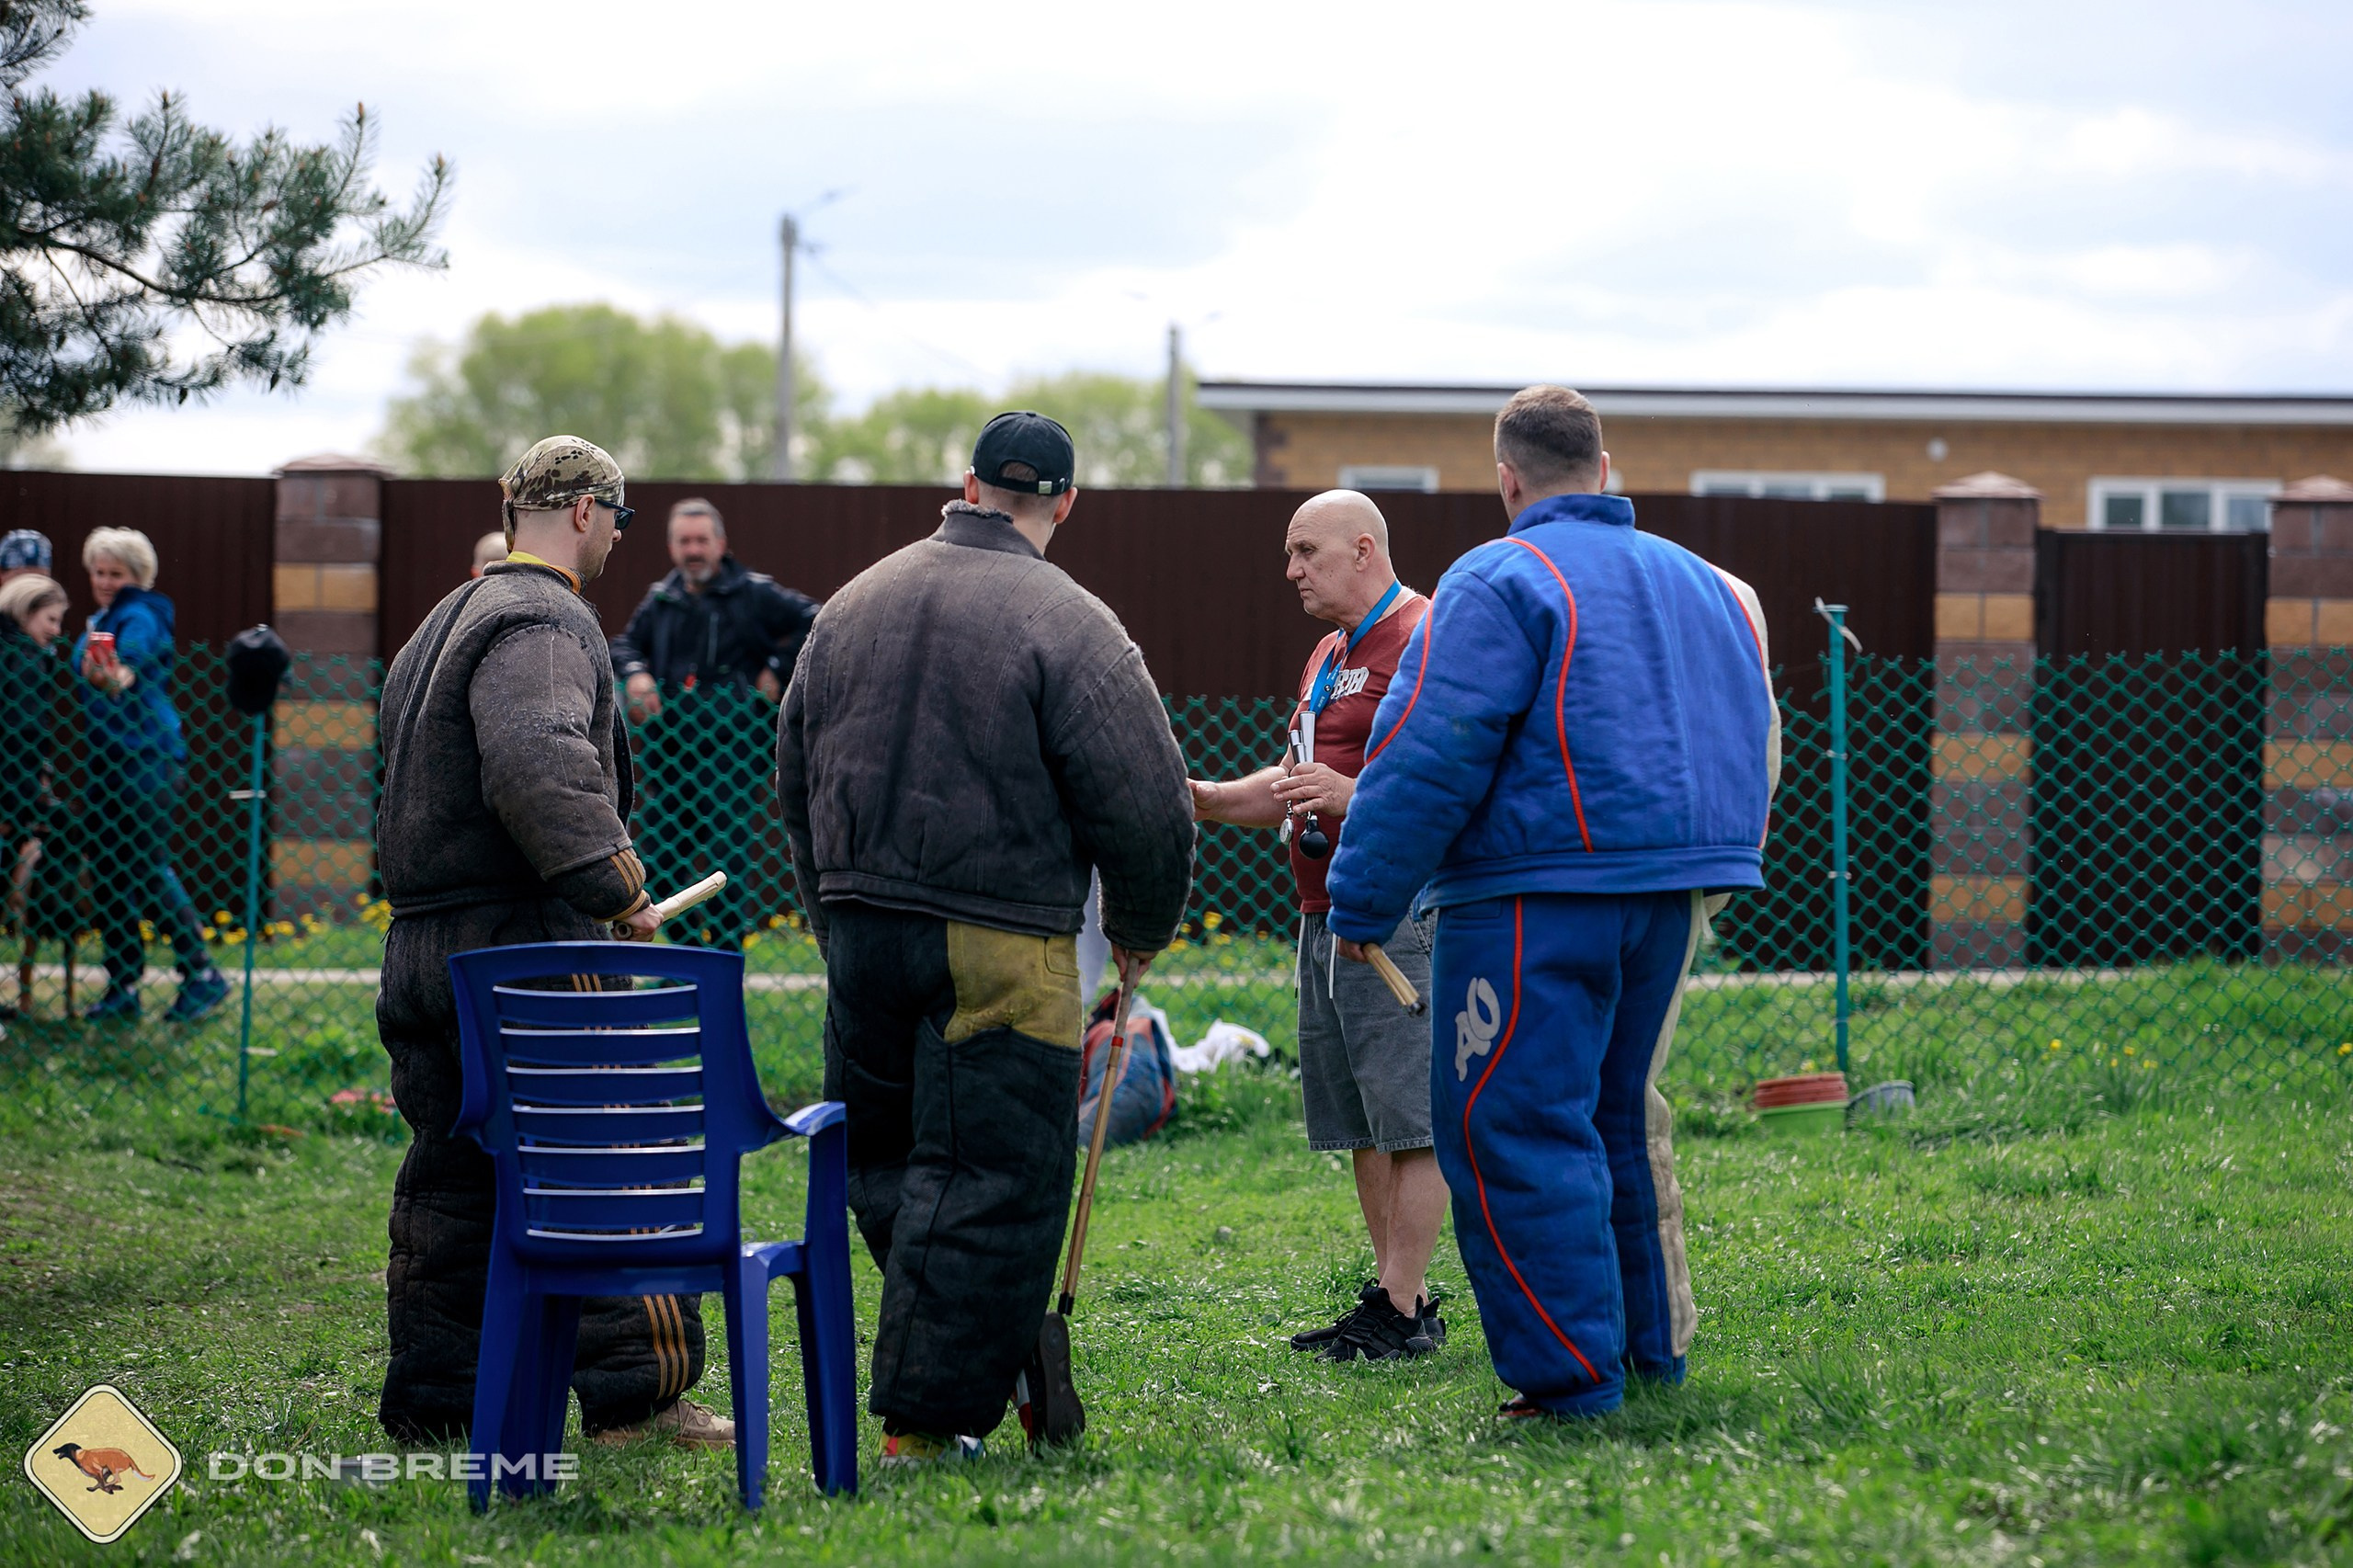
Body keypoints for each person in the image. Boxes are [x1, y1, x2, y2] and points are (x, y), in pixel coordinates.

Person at [1324, 385, 1779, 1420]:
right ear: (1605, 469)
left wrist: (1361, 899)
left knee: (1513, 1127)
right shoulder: (1702, 580)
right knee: (1618, 1119)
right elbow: (1748, 721)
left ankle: (1569, 1381)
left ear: (1507, 479)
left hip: (1528, 898)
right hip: (1672, 891)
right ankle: (1647, 1353)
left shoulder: (1499, 577)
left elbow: (1428, 751)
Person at [777, 411, 1194, 1465]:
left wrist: (831, 914)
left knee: (889, 1161)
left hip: (862, 929)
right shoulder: (1073, 619)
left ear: (964, 483)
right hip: (1001, 946)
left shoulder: (849, 604)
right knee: (990, 1177)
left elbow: (791, 776)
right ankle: (930, 1417)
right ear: (1065, 501)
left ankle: (962, 1355)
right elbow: (1148, 805)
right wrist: (1140, 928)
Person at [372, 435, 731, 1451]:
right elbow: (536, 759)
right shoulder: (544, 616)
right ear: (583, 512)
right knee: (612, 1155)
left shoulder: (441, 622)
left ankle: (442, 1406)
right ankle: (642, 1399)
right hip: (528, 948)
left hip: (427, 946)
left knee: (454, 1177)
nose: (618, 535)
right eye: (617, 518)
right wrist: (617, 889)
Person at [1188, 490, 1449, 1362]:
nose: (1290, 570)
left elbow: (1454, 776)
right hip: (1324, 911)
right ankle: (1391, 1295)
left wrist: (1353, 798)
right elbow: (1300, 776)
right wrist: (1207, 801)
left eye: (1306, 551)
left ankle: (1406, 1304)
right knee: (1363, 1121)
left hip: (1397, 913)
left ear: (1364, 547)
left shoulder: (1426, 634)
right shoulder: (1329, 652)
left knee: (1412, 1117)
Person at [610, 498, 818, 949]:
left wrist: (778, 669)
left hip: (732, 754)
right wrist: (636, 676)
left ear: (720, 544)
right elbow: (623, 644)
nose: (693, 550)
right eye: (685, 541)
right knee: (662, 862)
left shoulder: (752, 592)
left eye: (702, 540)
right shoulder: (662, 598)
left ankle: (723, 961)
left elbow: (815, 618)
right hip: (671, 756)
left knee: (726, 862)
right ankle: (682, 960)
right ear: (671, 547)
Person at [72, 528, 229, 1024]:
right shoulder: (102, 616)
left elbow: (127, 664)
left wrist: (115, 674)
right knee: (110, 872)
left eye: (115, 573)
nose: (104, 581)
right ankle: (122, 988)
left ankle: (201, 974)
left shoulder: (139, 612)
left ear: (137, 576)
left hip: (145, 761)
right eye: (98, 571)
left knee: (143, 865)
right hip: (106, 760)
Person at [0, 573, 67, 1019]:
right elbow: (22, 738)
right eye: (52, 619)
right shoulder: (22, 660)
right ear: (26, 614)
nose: (57, 631)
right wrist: (24, 808)